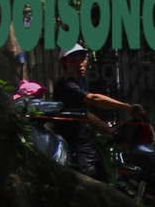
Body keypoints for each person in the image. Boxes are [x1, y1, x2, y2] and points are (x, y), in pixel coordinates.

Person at [51, 45, 144, 180]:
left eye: (82, 59)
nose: (80, 64)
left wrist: (111, 130)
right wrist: (127, 107)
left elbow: (85, 115)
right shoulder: (66, 85)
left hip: (86, 147)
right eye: (73, 61)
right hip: (74, 150)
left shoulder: (79, 83)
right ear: (63, 64)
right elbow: (93, 99)